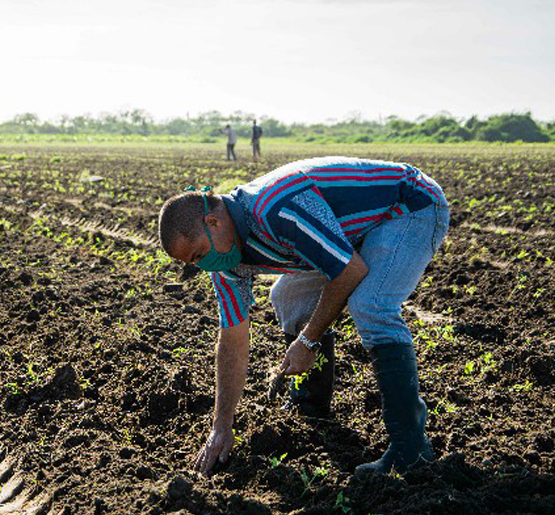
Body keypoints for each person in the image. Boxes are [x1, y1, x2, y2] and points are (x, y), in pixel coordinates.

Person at [157, 156, 450, 476]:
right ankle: (310, 406)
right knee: (288, 296)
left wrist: (308, 340)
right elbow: (232, 336)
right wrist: (221, 426)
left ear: (214, 222)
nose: (203, 265)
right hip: (349, 234)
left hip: (406, 206)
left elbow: (350, 270)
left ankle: (411, 447)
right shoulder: (225, 261)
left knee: (371, 304)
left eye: (199, 254)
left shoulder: (277, 209)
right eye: (193, 263)